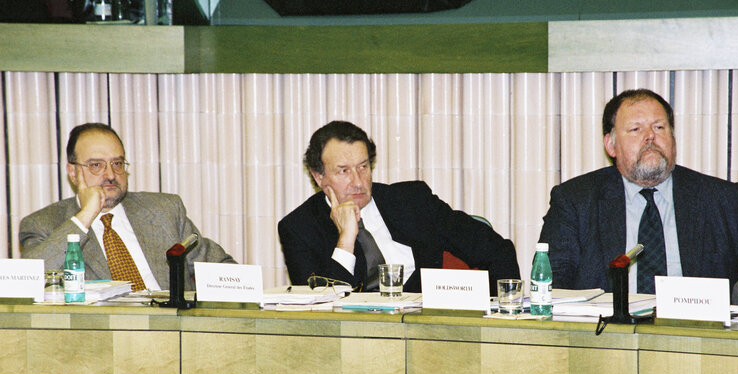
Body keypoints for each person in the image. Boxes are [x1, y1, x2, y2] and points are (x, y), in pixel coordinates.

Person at [538, 89, 738, 295]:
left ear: (673, 140)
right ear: (611, 145)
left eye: (659, 127)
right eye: (636, 129)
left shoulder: (723, 200)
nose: (650, 137)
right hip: (607, 336)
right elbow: (551, 284)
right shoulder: (575, 200)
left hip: (699, 335)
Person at [278, 120, 520, 293]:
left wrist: (498, 312)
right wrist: (346, 239)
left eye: (363, 167)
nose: (357, 181)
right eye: (343, 171)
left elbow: (498, 250)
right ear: (319, 177)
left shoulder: (413, 201)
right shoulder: (299, 228)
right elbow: (317, 307)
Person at [19, 122, 235, 290]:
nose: (111, 175)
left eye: (117, 163)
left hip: (172, 332)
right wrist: (85, 216)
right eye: (96, 165)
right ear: (73, 172)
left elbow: (221, 269)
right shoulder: (42, 225)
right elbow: (29, 280)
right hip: (102, 339)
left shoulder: (164, 209)